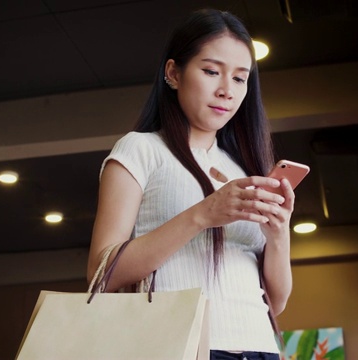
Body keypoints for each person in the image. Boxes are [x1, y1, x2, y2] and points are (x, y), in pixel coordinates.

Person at [87, 8, 294, 360]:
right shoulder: (141, 149)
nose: (227, 90)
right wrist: (202, 215)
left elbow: (278, 301)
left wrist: (278, 236)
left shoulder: (242, 168)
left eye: (241, 78)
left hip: (260, 348)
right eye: (212, 71)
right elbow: (101, 273)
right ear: (173, 73)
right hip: (179, 347)